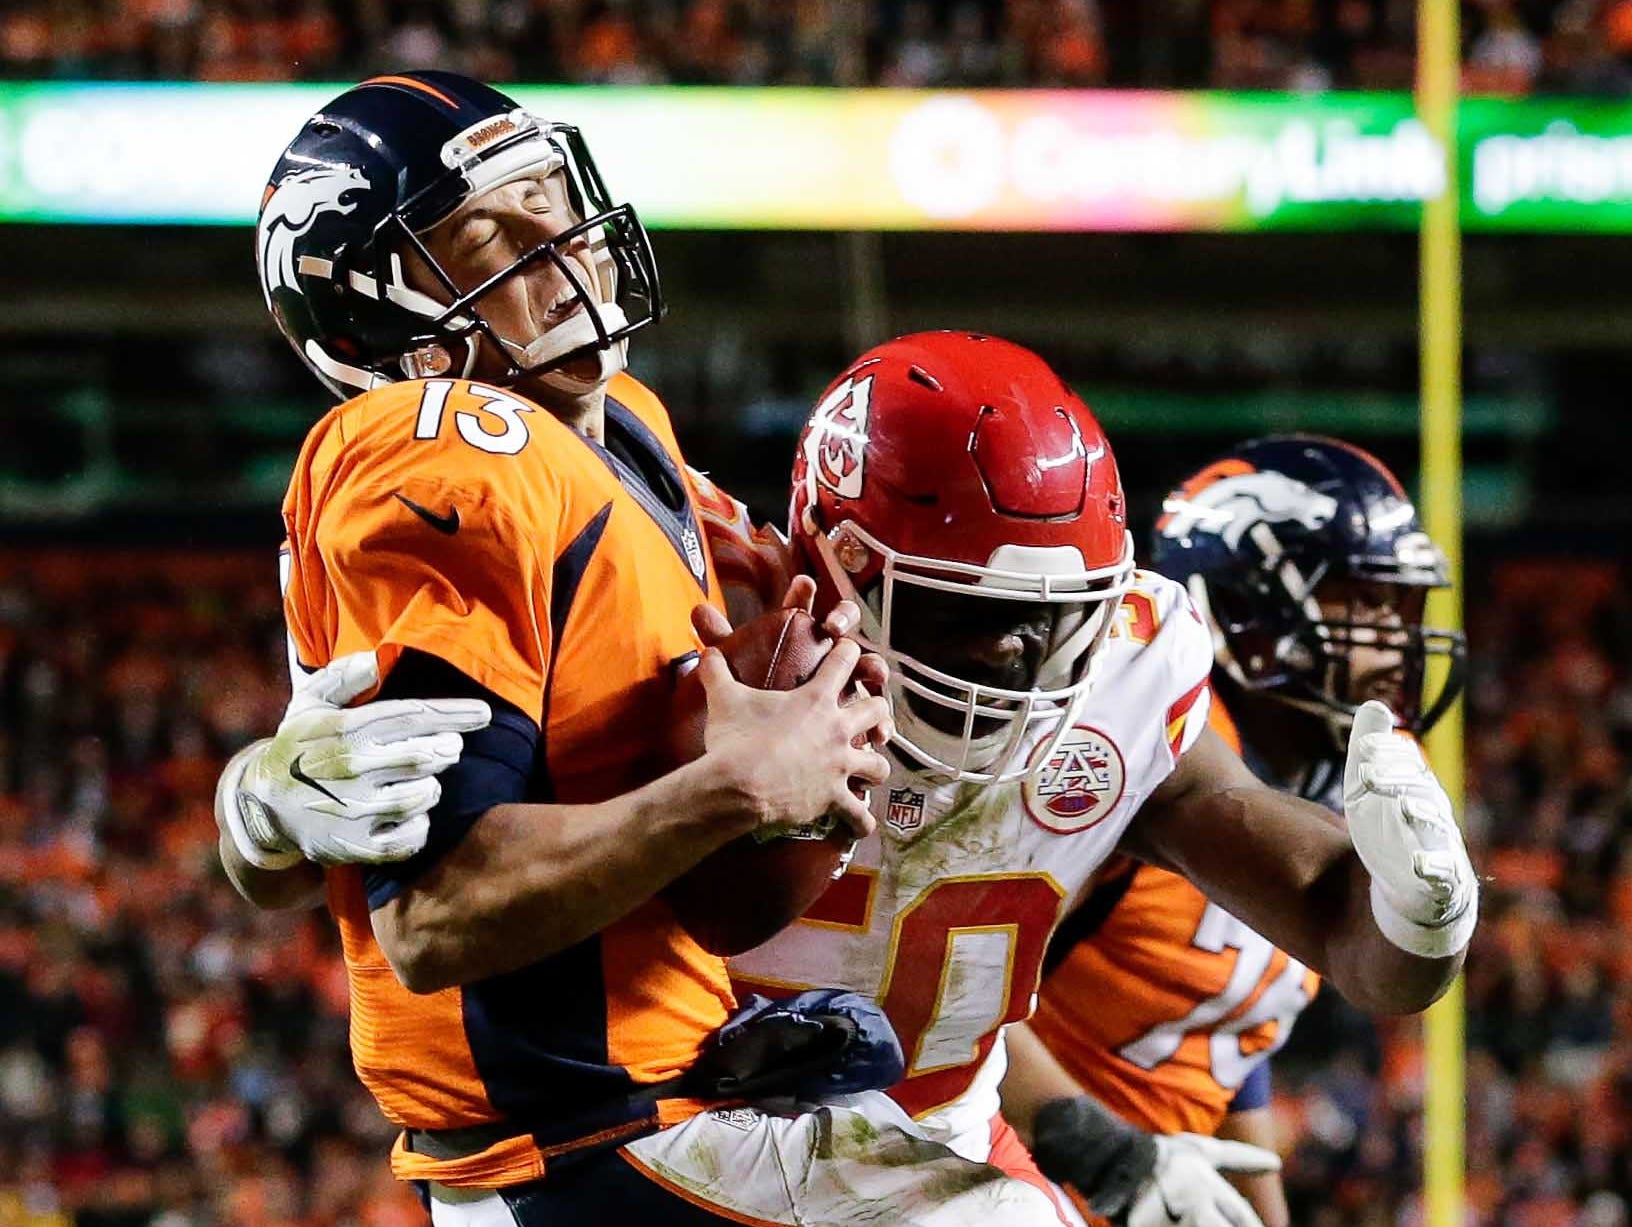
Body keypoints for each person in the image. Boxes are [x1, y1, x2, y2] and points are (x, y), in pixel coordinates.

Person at [238, 331, 1480, 1226]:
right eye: (963, 615)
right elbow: (435, 862)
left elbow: (1333, 920)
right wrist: (266, 816)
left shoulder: (1128, 674)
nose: (1017, 663)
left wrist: (1419, 922)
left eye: (1056, 622)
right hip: (670, 1145)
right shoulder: (693, 619)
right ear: (834, 565)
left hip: (934, 1140)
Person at [216, 69, 903, 1224]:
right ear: (374, 326)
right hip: (571, 1150)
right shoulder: (442, 446)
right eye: (489, 233)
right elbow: (435, 917)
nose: (563, 248)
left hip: (673, 1091)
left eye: (553, 196)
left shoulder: (622, 421)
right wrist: (729, 791)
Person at [1011, 436, 1466, 1227]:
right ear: (1246, 609)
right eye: (1358, 602)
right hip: (1002, 1169)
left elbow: (1230, 1048)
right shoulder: (1144, 738)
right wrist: (1100, 1150)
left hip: (1157, 1186)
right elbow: (947, 988)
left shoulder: (1368, 775)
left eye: (1398, 605)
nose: (1393, 635)